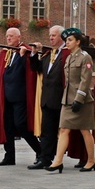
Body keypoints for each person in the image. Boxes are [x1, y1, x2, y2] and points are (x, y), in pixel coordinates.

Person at [46, 28, 95, 173]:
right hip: (67, 99)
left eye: (70, 40)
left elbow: (85, 80)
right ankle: (58, 161)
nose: (66, 42)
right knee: (63, 129)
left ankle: (92, 160)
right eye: (66, 40)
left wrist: (79, 99)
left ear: (78, 42)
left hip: (81, 100)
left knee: (85, 131)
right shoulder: (69, 57)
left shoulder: (85, 57)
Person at [0, 28, 41, 166]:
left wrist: (25, 55)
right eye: (7, 36)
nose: (8, 38)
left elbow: (32, 68)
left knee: (21, 125)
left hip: (20, 96)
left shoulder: (25, 51)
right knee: (7, 126)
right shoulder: (5, 52)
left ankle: (40, 151)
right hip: (5, 96)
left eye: (11, 36)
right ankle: (9, 156)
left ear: (19, 37)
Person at [27, 25, 67, 170]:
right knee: (46, 132)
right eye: (50, 35)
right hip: (47, 98)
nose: (50, 38)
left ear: (61, 37)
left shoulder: (66, 53)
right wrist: (34, 54)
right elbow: (37, 68)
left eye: (53, 35)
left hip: (61, 98)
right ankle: (45, 159)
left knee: (64, 131)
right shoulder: (48, 54)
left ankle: (59, 158)